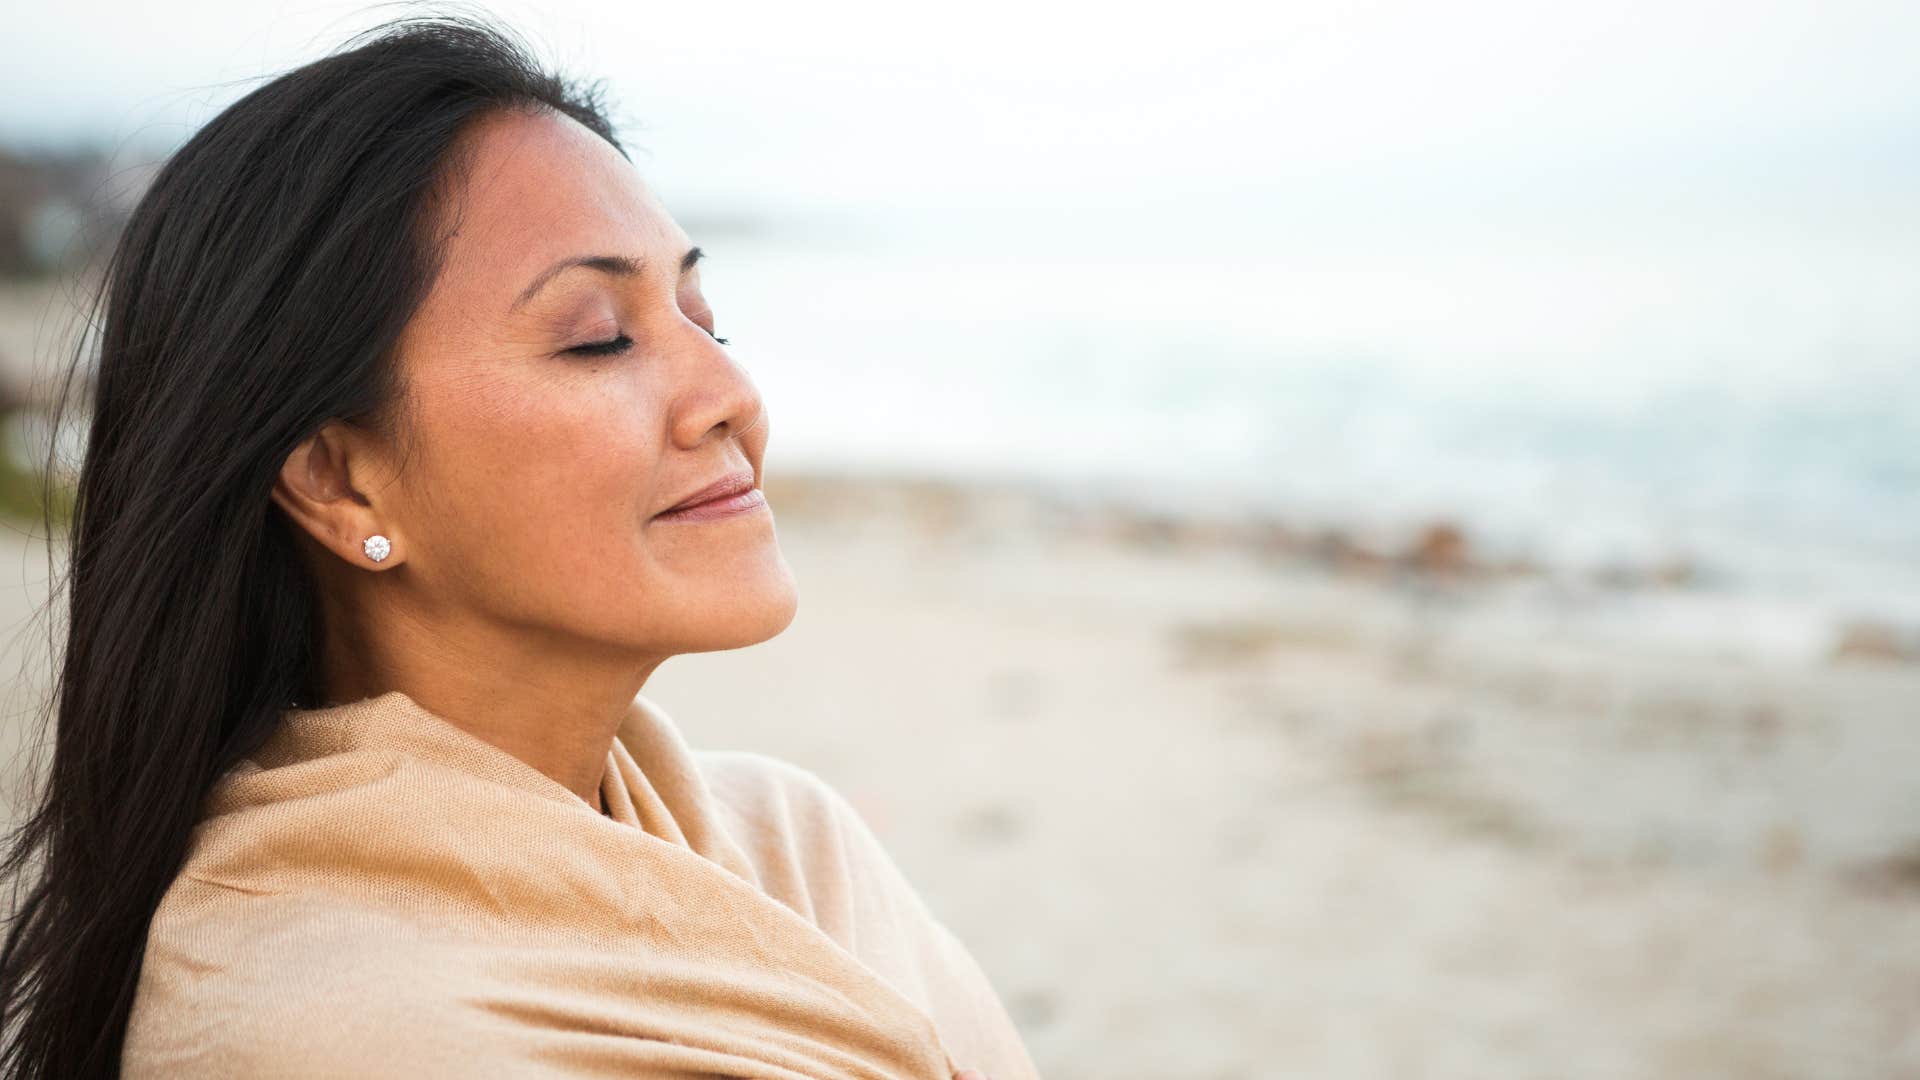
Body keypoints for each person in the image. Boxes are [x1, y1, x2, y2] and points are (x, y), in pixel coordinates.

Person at [0, 13, 1038, 1079]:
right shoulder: (329, 1033)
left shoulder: (791, 846)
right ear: (340, 480)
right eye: (599, 337)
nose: (730, 395)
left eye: (703, 319)